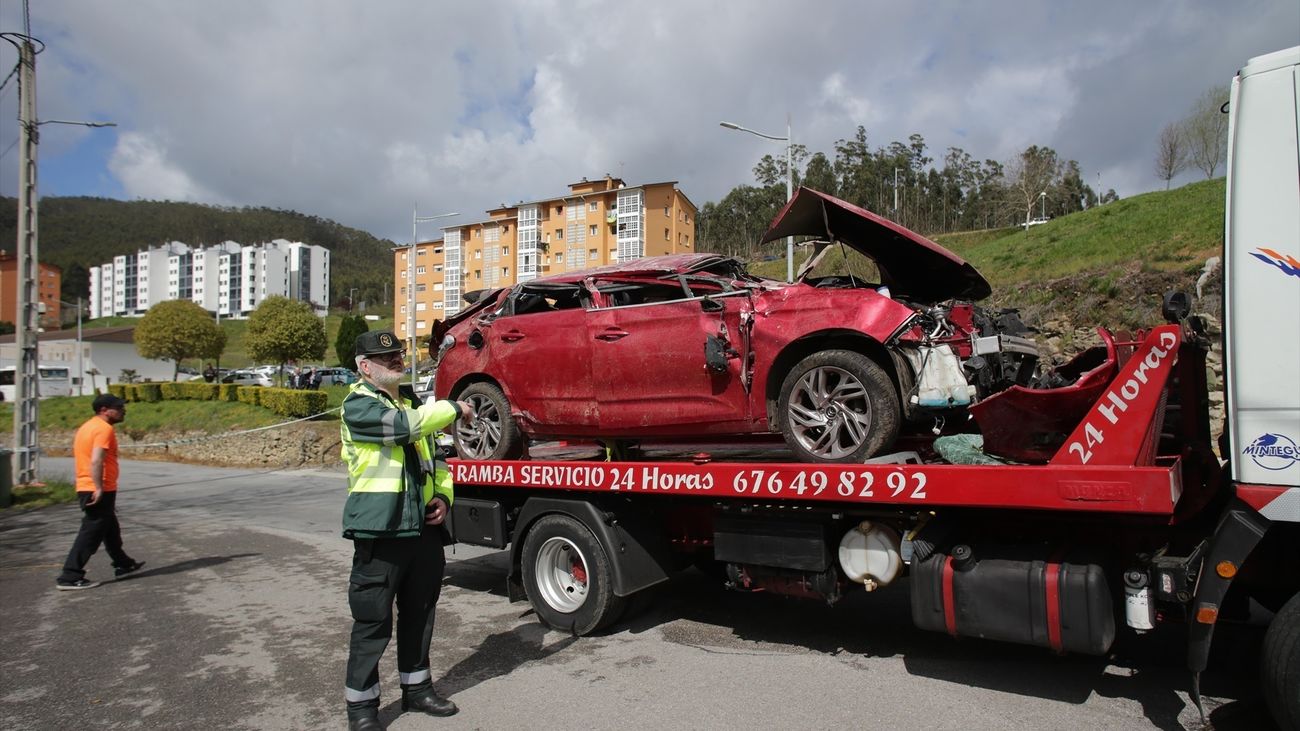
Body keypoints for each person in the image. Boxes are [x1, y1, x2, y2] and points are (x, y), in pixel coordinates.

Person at [340, 329, 474, 731]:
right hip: (380, 533)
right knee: (372, 623)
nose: (397, 361)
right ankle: (362, 710)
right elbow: (403, 429)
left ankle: (418, 690)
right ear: (365, 367)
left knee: (420, 615)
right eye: (387, 359)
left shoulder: (412, 403)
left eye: (398, 355)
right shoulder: (358, 406)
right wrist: (453, 407)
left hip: (422, 532)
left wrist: (444, 499)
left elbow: (438, 459)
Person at [56, 394, 145, 590]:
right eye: (119, 407)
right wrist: (98, 487)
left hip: (93, 486)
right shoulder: (103, 429)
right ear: (104, 410)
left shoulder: (89, 426)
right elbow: (96, 460)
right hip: (97, 487)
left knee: (110, 528)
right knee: (92, 532)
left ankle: (123, 563)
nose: (123, 410)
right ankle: (70, 576)